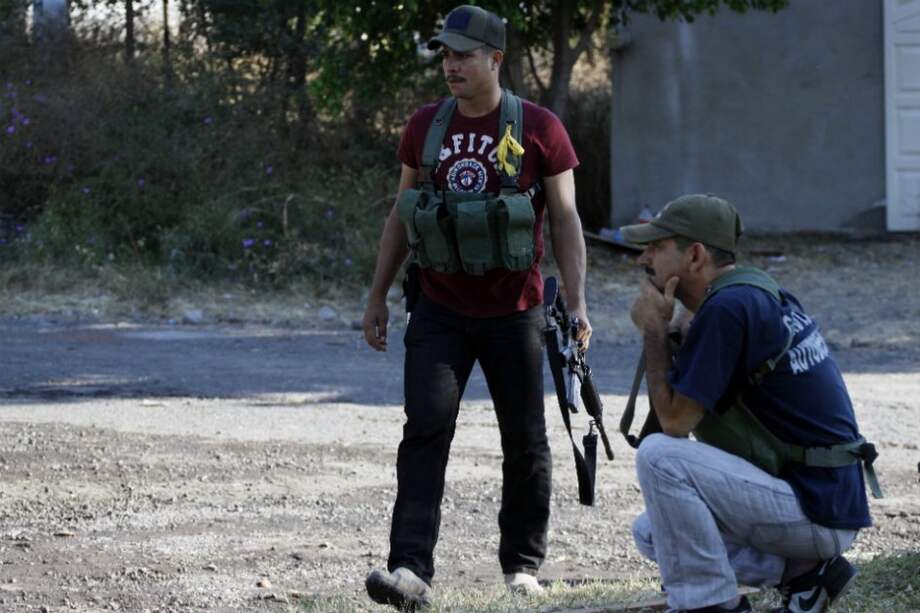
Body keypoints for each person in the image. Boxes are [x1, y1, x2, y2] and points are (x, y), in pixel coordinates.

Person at [360, 5, 590, 610]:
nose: (452, 64)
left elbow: (566, 220)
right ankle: (409, 569)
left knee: (526, 439)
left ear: (495, 58)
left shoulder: (540, 128)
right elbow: (401, 215)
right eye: (446, 54)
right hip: (439, 308)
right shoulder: (424, 127)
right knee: (425, 431)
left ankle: (522, 565)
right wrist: (377, 294)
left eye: (464, 54)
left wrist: (578, 300)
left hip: (517, 311)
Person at [620, 194, 876, 613]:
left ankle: (709, 605)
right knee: (654, 533)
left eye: (656, 246)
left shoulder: (727, 309)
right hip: (826, 501)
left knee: (659, 457)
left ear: (696, 255)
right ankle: (808, 576)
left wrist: (653, 330)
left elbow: (674, 422)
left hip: (815, 508)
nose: (642, 259)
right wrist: (676, 334)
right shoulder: (750, 292)